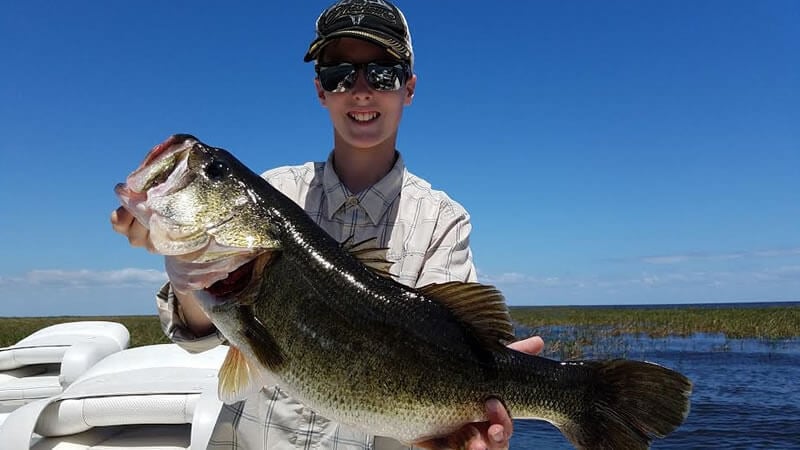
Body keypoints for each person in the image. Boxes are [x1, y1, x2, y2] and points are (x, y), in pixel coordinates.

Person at [112, 1, 543, 449]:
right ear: (320, 90)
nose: (360, 90)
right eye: (339, 73)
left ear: (409, 88)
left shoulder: (442, 221)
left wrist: (474, 422)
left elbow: (460, 339)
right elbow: (199, 339)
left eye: (382, 73)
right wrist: (189, 279)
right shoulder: (277, 188)